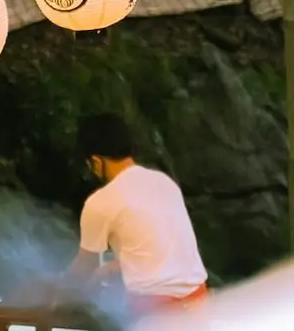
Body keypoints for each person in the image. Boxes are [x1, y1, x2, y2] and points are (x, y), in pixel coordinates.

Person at [68, 112, 209, 314]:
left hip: (154, 314)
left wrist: (60, 289)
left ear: (96, 161)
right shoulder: (164, 183)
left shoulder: (100, 202)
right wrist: (109, 269)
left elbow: (84, 267)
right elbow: (158, 249)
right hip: (198, 303)